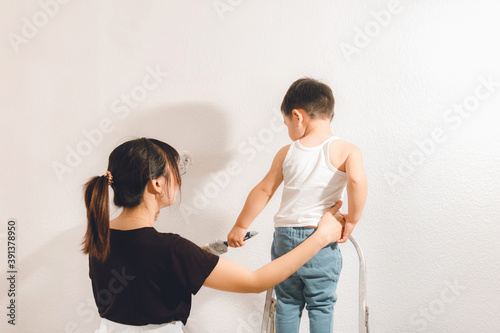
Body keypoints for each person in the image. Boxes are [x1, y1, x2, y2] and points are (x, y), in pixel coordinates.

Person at [81, 137, 346, 333]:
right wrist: (320, 238)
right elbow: (256, 281)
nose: (179, 178)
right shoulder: (171, 249)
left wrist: (198, 256)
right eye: (176, 171)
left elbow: (143, 274)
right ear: (157, 184)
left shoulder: (100, 237)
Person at [227, 78, 368, 333]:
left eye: (285, 123)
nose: (288, 129)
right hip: (320, 238)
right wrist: (353, 219)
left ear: (297, 116)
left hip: (284, 238)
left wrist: (241, 225)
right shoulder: (347, 150)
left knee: (287, 302)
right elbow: (357, 180)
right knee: (321, 303)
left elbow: (264, 189)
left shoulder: (286, 152)